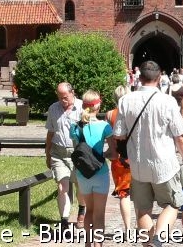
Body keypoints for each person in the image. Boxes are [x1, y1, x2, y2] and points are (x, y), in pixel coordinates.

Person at [113, 60, 183, 247]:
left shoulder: (125, 101)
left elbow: (119, 134)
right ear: (159, 78)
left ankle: (148, 244)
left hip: (139, 164)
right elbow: (180, 137)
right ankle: (160, 235)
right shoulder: (167, 101)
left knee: (143, 209)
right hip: (164, 164)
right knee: (172, 204)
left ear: (139, 77)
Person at [69, 89, 113, 247]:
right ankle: (98, 245)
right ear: (98, 106)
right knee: (99, 214)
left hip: (83, 174)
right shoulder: (105, 127)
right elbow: (113, 152)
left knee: (89, 211)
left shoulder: (75, 127)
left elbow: (79, 150)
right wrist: (104, 154)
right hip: (100, 172)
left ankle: (88, 244)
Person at [45, 82, 87, 229]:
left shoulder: (82, 107)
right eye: (60, 97)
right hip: (59, 153)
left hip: (78, 153)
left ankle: (82, 210)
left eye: (65, 97)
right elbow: (50, 133)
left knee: (80, 186)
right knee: (62, 187)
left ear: (72, 93)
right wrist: (47, 154)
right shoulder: (53, 108)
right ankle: (64, 220)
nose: (63, 101)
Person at [106, 85, 133, 237]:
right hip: (135, 157)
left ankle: (128, 228)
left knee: (124, 194)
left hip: (118, 159)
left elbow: (110, 139)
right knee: (141, 194)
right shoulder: (134, 113)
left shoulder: (110, 114)